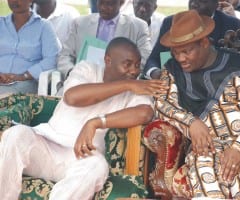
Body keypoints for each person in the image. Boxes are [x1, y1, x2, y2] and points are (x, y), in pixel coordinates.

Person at [0, 37, 167, 199]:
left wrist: (96, 122)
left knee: (97, 167)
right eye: (127, 64)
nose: (134, 71)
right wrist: (127, 84)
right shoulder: (87, 69)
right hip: (46, 147)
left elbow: (144, 112)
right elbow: (73, 97)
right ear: (108, 60)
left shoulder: (136, 89)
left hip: (81, 159)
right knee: (15, 134)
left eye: (137, 65)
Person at [155, 10, 240, 199]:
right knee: (207, 185)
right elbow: (162, 103)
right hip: (209, 145)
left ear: (204, 43)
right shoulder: (172, 70)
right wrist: (191, 122)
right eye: (176, 53)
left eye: (186, 51)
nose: (181, 58)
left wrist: (239, 147)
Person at [143, 0, 240, 80]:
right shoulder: (172, 22)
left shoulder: (231, 24)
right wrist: (156, 73)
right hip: (178, 84)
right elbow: (154, 59)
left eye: (202, 1)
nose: (194, 4)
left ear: (216, 4)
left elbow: (239, 61)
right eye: (192, 0)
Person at [57, 0, 152, 80]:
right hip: (80, 80)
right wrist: (71, 72)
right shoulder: (80, 23)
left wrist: (125, 72)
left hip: (119, 84)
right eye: (100, 2)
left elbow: (145, 58)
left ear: (121, 3)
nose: (103, 7)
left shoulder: (138, 27)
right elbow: (64, 55)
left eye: (109, 4)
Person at [0, 0, 60, 95]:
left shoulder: (43, 27)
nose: (15, 1)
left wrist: (23, 76)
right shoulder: (1, 23)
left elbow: (52, 59)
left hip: (26, 82)